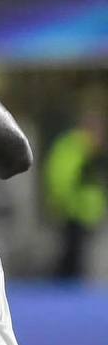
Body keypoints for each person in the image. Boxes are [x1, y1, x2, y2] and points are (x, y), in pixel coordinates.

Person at [45, 111, 107, 279]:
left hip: (83, 215)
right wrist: (66, 204)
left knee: (75, 258)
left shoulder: (85, 151)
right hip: (74, 213)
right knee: (72, 258)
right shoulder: (76, 149)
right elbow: (63, 179)